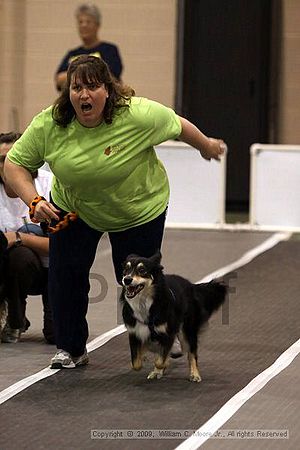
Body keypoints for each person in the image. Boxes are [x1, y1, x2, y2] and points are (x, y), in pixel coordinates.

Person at [4, 55, 226, 368]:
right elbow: (15, 164)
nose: (84, 95)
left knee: (139, 284)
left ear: (108, 90)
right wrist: (35, 202)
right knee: (65, 277)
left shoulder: (137, 114)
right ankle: (71, 349)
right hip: (75, 208)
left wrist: (205, 146)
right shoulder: (50, 123)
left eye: (92, 87)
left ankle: (165, 328)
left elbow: (177, 125)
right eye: (76, 88)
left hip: (137, 209)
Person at [0, 132, 54, 344]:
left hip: (54, 270)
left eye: (11, 158)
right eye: (1, 160)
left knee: (57, 336)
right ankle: (14, 319)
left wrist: (17, 237)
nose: (5, 165)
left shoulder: (50, 185)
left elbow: (60, 247)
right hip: (13, 270)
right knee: (18, 256)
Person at [55, 3, 123, 91]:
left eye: (88, 22)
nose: (84, 25)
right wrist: (90, 74)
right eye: (80, 22)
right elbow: (59, 79)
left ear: (97, 25)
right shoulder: (72, 53)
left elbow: (110, 77)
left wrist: (74, 75)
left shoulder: (109, 50)